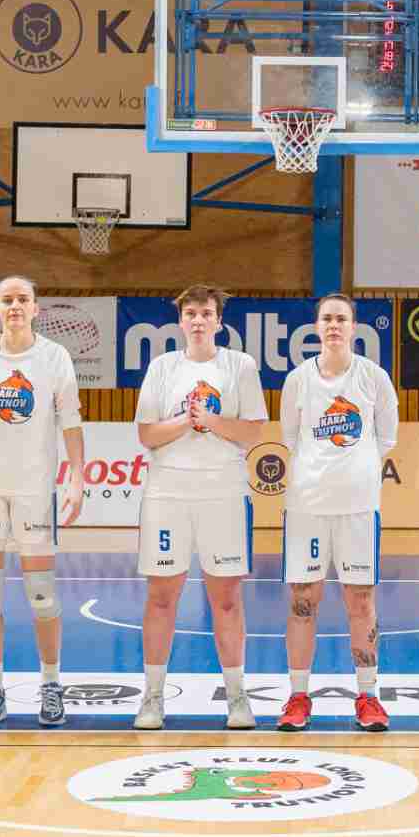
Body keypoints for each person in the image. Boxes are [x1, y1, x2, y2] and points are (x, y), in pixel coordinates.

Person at [0, 276, 86, 729]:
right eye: (7, 300)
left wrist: (77, 477)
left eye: (23, 299)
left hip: (34, 490)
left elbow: (70, 420)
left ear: (36, 308)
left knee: (42, 595)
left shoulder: (54, 356)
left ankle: (51, 684)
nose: (15, 306)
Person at [133, 285, 267, 731]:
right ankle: (152, 697)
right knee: (161, 598)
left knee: (226, 600)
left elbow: (253, 432)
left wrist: (210, 421)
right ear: (180, 321)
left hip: (223, 494)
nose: (197, 320)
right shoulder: (162, 367)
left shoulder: (240, 365)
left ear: (219, 321)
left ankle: (237, 697)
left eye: (206, 313)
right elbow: (147, 434)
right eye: (190, 313)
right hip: (167, 495)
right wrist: (186, 421)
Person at [276, 293, 399, 733]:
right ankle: (298, 695)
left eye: (341, 319)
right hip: (307, 507)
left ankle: (368, 695)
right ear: (316, 327)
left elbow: (386, 438)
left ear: (353, 327)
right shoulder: (298, 380)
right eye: (327, 318)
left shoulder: (374, 378)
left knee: (360, 602)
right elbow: (290, 437)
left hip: (358, 508)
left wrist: (355, 472)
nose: (333, 325)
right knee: (303, 602)